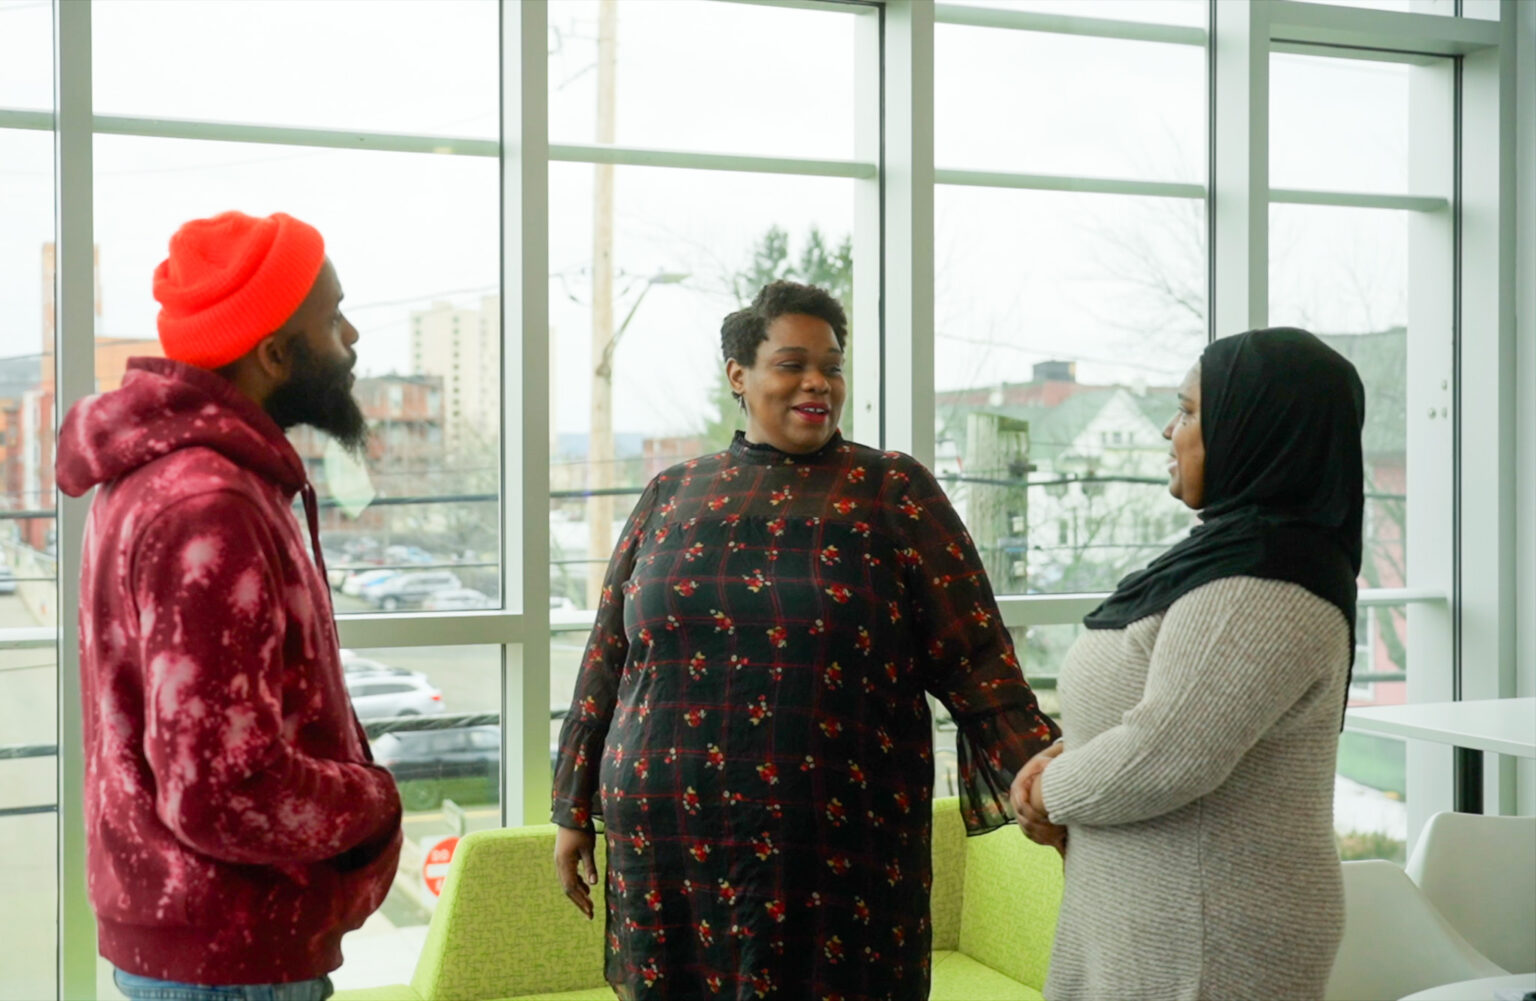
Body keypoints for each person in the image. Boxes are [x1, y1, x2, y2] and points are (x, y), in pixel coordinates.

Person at [550, 279, 1059, 1000]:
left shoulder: (891, 491)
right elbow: (609, 658)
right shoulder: (671, 493)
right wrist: (573, 807)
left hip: (835, 851)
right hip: (666, 851)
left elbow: (976, 656)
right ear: (739, 375)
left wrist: (1051, 779)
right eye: (792, 363)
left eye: (832, 364)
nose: (818, 381)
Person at [56, 211, 401, 1001]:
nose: (351, 336)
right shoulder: (208, 504)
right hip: (232, 955)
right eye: (333, 315)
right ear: (274, 351)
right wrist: (374, 803)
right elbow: (224, 789)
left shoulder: (170, 479)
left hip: (205, 945)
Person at [1012, 327, 1365, 1001]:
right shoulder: (1226, 559)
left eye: (1191, 411)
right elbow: (1162, 710)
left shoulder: (1261, 584)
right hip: (1158, 925)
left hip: (1209, 943)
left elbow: (1165, 754)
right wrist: (1060, 757)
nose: (1170, 430)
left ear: (1257, 427)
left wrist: (1045, 791)